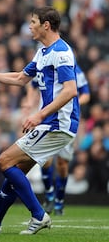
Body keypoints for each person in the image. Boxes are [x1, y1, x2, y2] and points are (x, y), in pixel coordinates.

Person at [0, 6, 80, 235]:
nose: (29, 26)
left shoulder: (61, 52)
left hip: (58, 123)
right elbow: (20, 78)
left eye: (33, 21)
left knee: (4, 160)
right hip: (51, 122)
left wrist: (39, 114)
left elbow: (70, 91)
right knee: (14, 170)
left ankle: (39, 215)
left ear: (46, 25)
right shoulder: (42, 51)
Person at [34, 64, 90, 215]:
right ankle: (49, 194)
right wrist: (29, 102)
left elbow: (86, 94)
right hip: (46, 119)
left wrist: (74, 102)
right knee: (44, 159)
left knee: (62, 164)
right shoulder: (45, 67)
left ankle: (59, 200)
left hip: (66, 121)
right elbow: (32, 85)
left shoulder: (76, 71)